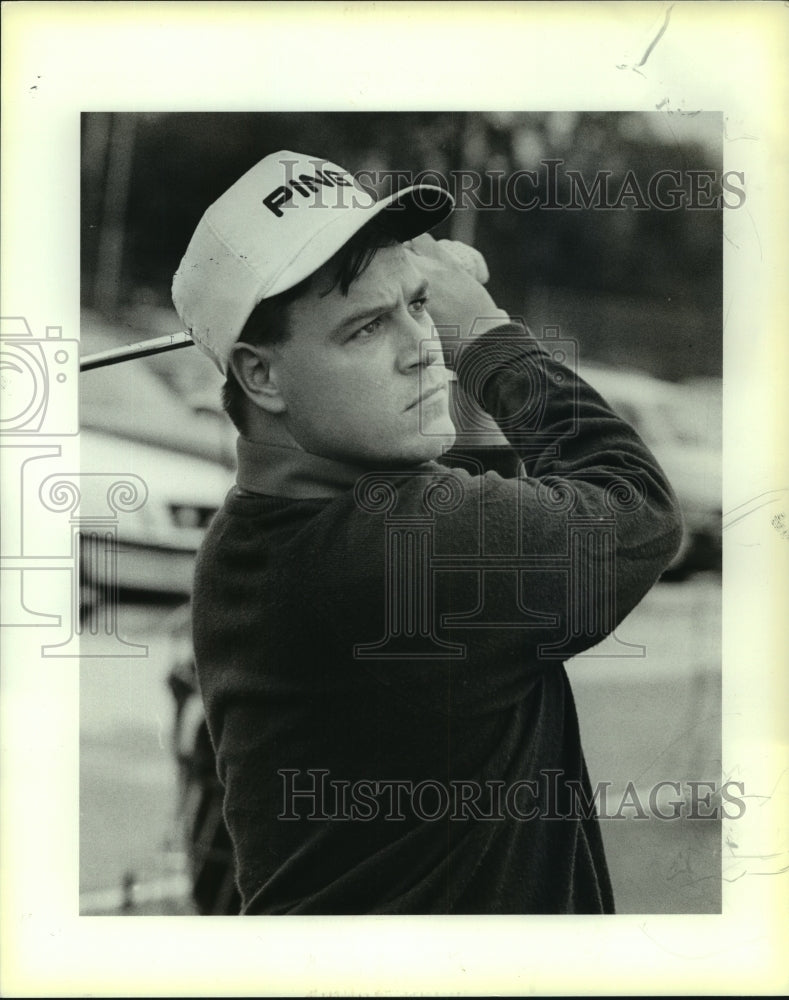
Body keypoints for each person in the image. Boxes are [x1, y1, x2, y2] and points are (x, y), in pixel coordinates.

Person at [172, 149, 683, 915]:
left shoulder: (252, 535)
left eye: (418, 306)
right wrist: (485, 331)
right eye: (365, 328)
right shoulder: (404, 549)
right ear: (262, 375)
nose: (422, 347)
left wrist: (402, 308)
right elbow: (635, 506)